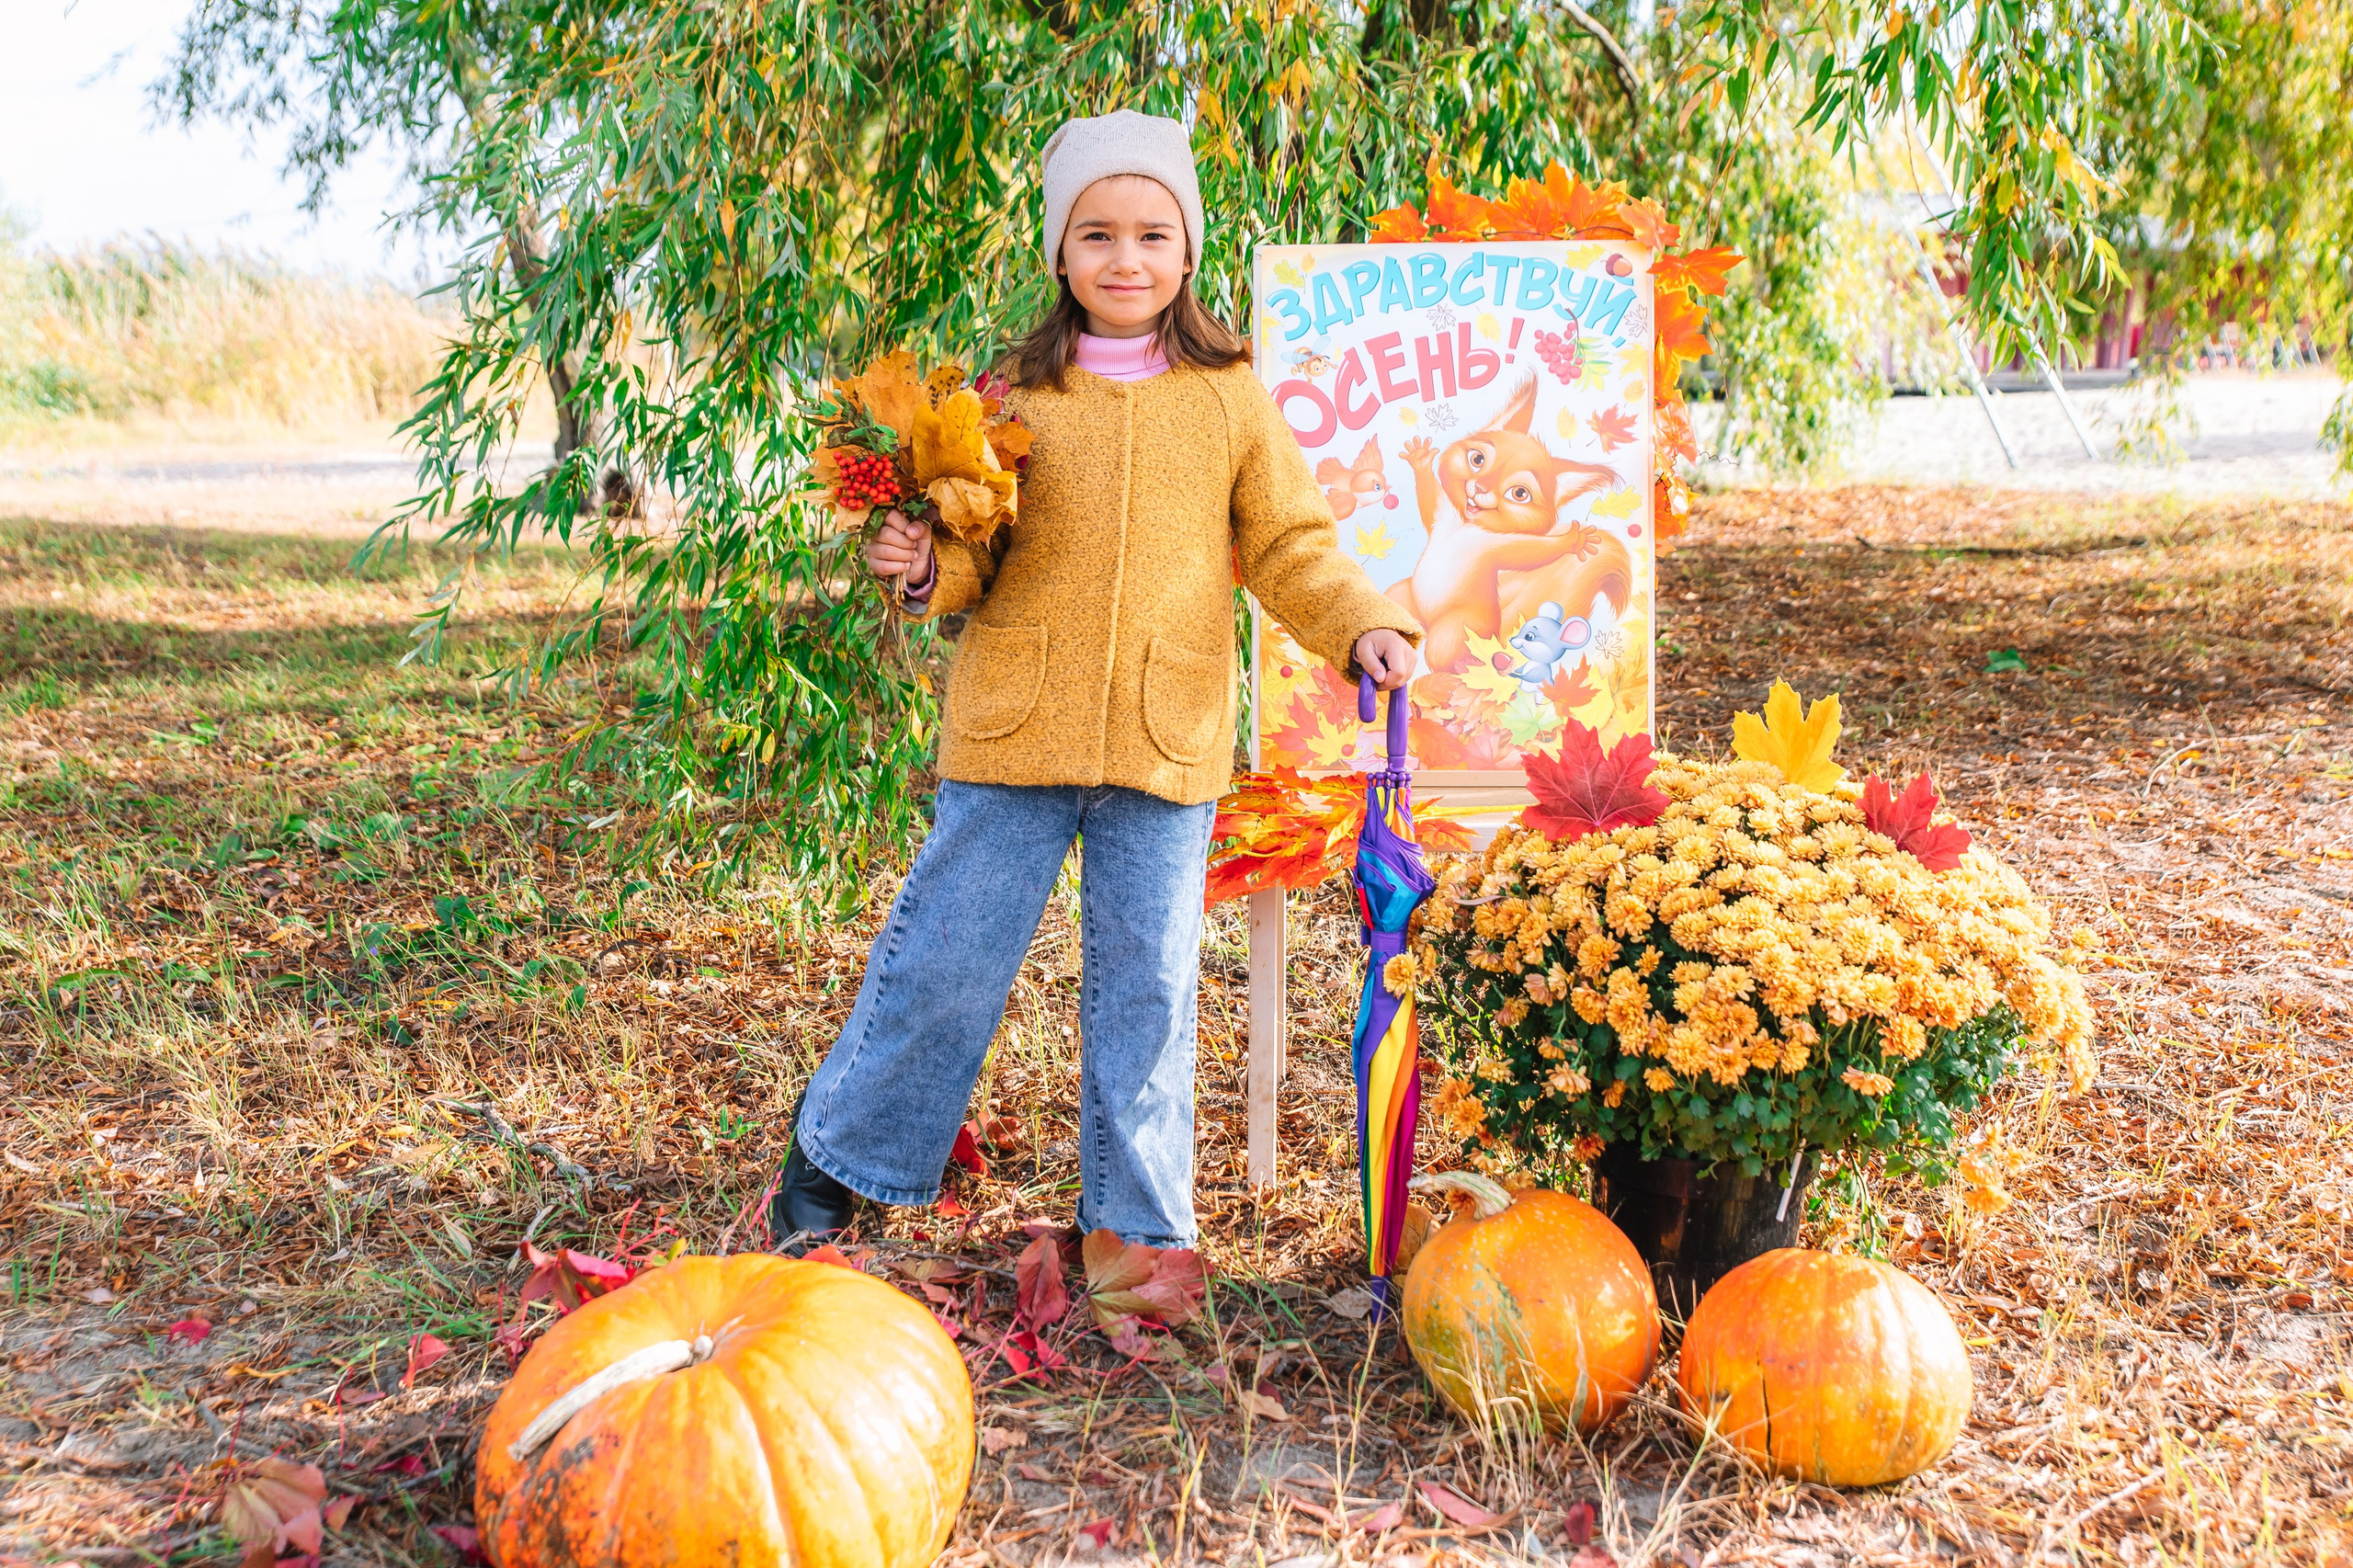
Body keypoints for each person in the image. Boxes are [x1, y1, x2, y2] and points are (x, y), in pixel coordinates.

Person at [774, 108, 1419, 1253]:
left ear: (1187, 252)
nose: (1127, 260)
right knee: (946, 959)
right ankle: (838, 1155)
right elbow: (971, 547)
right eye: (1098, 235)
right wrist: (924, 566)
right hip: (1015, 727)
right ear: (1060, 254)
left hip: (1166, 737)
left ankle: (1137, 1232)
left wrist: (1360, 621)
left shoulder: (1229, 397)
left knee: (1149, 996)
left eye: (1153, 235)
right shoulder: (1007, 399)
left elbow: (1289, 543)